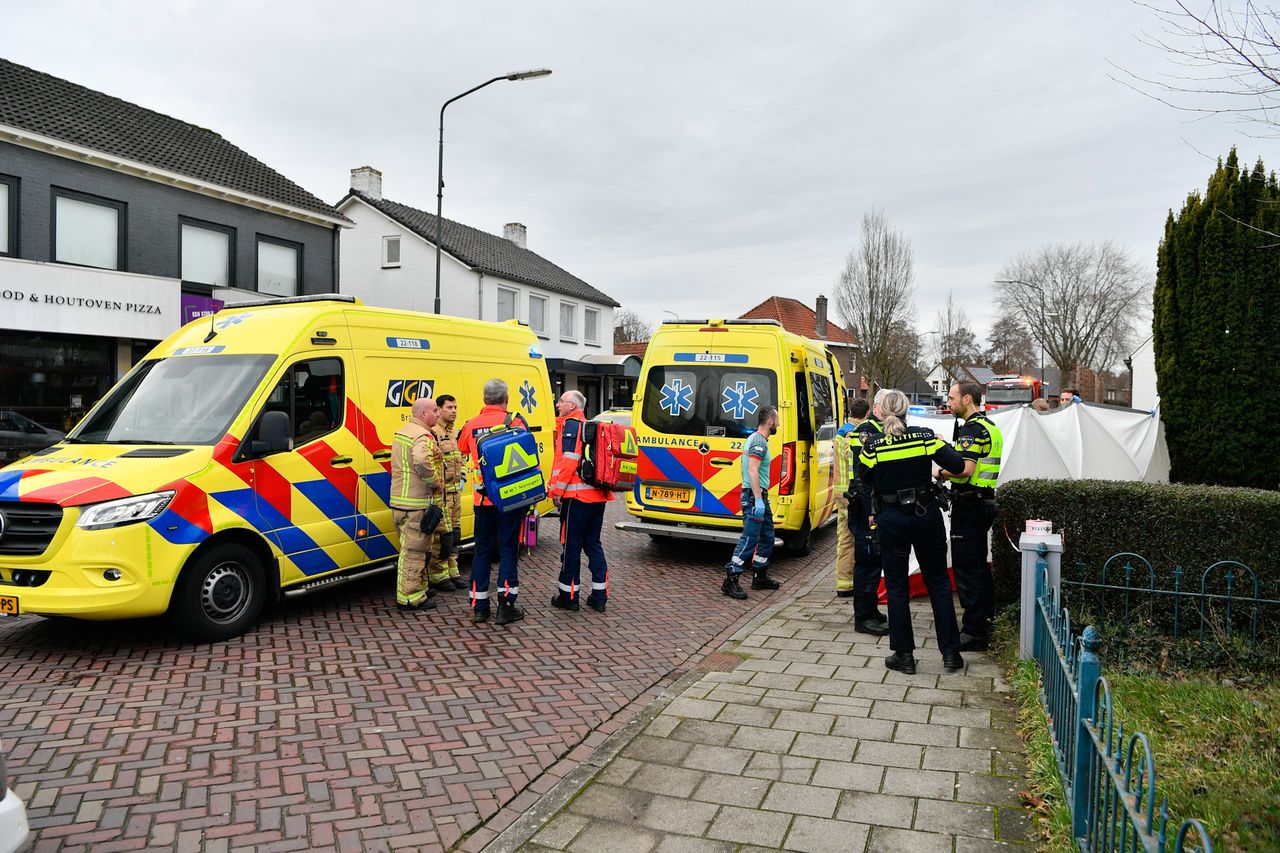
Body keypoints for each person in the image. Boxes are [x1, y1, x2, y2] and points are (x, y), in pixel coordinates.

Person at [855, 388, 968, 674]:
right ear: (906, 411)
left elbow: (862, 476)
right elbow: (957, 465)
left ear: (881, 413)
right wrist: (942, 443)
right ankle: (951, 654)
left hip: (892, 519)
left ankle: (903, 656)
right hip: (925, 514)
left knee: (896, 586)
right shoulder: (925, 437)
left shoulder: (874, 446)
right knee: (939, 583)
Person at [457, 378, 530, 626]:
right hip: (510, 499)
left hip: (483, 500)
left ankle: (479, 607)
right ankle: (506, 606)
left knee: (482, 550)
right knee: (508, 549)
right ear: (506, 399)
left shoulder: (471, 425)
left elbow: (461, 450)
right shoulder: (515, 422)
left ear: (484, 399)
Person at [940, 381, 1004, 651]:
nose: (948, 403)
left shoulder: (971, 430)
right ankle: (985, 621)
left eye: (952, 398)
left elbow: (965, 469)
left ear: (967, 399)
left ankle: (974, 632)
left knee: (966, 567)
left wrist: (939, 472)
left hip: (969, 503)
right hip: (982, 501)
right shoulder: (989, 426)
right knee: (978, 563)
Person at [548, 390, 612, 613]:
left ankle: (569, 596)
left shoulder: (572, 426)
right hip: (598, 496)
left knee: (571, 545)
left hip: (577, 498)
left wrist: (556, 491)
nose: (558, 404)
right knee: (593, 544)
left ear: (573, 406)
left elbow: (568, 461)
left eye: (561, 401)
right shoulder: (589, 426)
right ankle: (599, 596)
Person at [389, 397, 444, 613]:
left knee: (416, 548)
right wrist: (435, 482)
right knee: (414, 552)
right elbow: (422, 461)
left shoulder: (403, 432)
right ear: (423, 414)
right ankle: (410, 598)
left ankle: (421, 588)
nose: (438, 414)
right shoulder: (422, 436)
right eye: (435, 411)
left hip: (400, 502)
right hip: (416, 504)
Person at [722, 406, 782, 600]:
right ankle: (731, 579)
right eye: (777, 419)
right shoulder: (758, 442)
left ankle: (760, 575)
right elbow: (752, 470)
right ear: (770, 421)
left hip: (759, 496)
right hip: (754, 497)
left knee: (767, 536)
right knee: (750, 538)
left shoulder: (757, 440)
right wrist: (757, 499)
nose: (779, 423)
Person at [848, 396, 888, 636]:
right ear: (875, 408)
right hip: (865, 506)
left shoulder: (879, 429)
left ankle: (870, 610)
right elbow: (863, 476)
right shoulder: (866, 431)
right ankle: (863, 618)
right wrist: (872, 511)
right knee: (867, 561)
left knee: (875, 560)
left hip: (871, 504)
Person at [429, 393, 466, 592]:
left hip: (455, 494)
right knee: (441, 536)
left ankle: (453, 571)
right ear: (439, 409)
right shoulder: (433, 433)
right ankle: (438, 574)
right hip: (442, 495)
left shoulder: (455, 433)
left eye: (455, 407)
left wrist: (463, 478)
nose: (454, 411)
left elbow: (464, 458)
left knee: (454, 535)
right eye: (449, 407)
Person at [833, 413, 858, 599]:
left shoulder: (840, 433)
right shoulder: (851, 434)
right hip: (851, 493)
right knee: (851, 539)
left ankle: (844, 583)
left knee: (845, 539)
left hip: (841, 493)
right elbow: (852, 457)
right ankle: (847, 583)